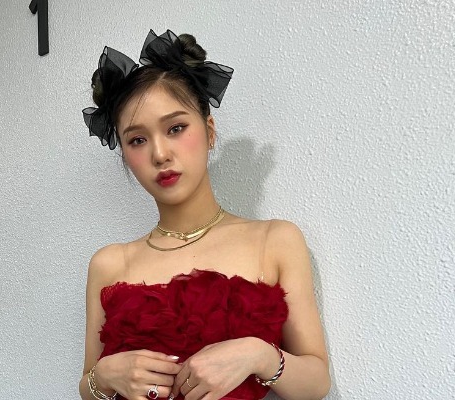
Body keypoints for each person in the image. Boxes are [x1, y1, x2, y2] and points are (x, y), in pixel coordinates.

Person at [78, 29, 330, 400]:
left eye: (176, 128)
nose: (160, 154)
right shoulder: (109, 263)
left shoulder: (275, 241)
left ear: (209, 131)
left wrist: (258, 355)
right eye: (137, 139)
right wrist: (103, 375)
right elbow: (88, 386)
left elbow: (317, 382)